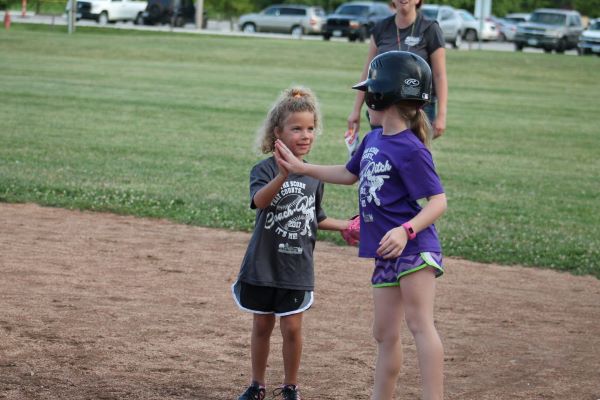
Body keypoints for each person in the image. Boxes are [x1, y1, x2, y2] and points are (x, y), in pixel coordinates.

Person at [275, 51, 447, 400]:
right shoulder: (374, 140)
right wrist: (303, 168)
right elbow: (349, 174)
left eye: (370, 93)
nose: (366, 101)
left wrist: (405, 230)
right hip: (385, 252)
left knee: (419, 324)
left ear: (381, 96)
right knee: (384, 333)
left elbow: (438, 202)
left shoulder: (411, 149)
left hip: (414, 248)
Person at [232, 86, 353, 400]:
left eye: (311, 128)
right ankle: (257, 385)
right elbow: (259, 201)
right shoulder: (264, 170)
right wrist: (283, 176)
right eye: (296, 128)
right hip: (263, 263)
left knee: (293, 329)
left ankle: (290, 387)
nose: (305, 135)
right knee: (262, 326)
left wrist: (343, 226)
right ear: (278, 133)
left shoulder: (314, 175)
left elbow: (315, 216)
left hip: (296, 265)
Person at [347, 0, 448, 140]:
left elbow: (439, 75)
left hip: (417, 106)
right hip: (383, 104)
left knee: (411, 154)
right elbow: (368, 72)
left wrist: (441, 115)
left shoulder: (430, 28)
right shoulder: (381, 28)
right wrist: (355, 110)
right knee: (384, 154)